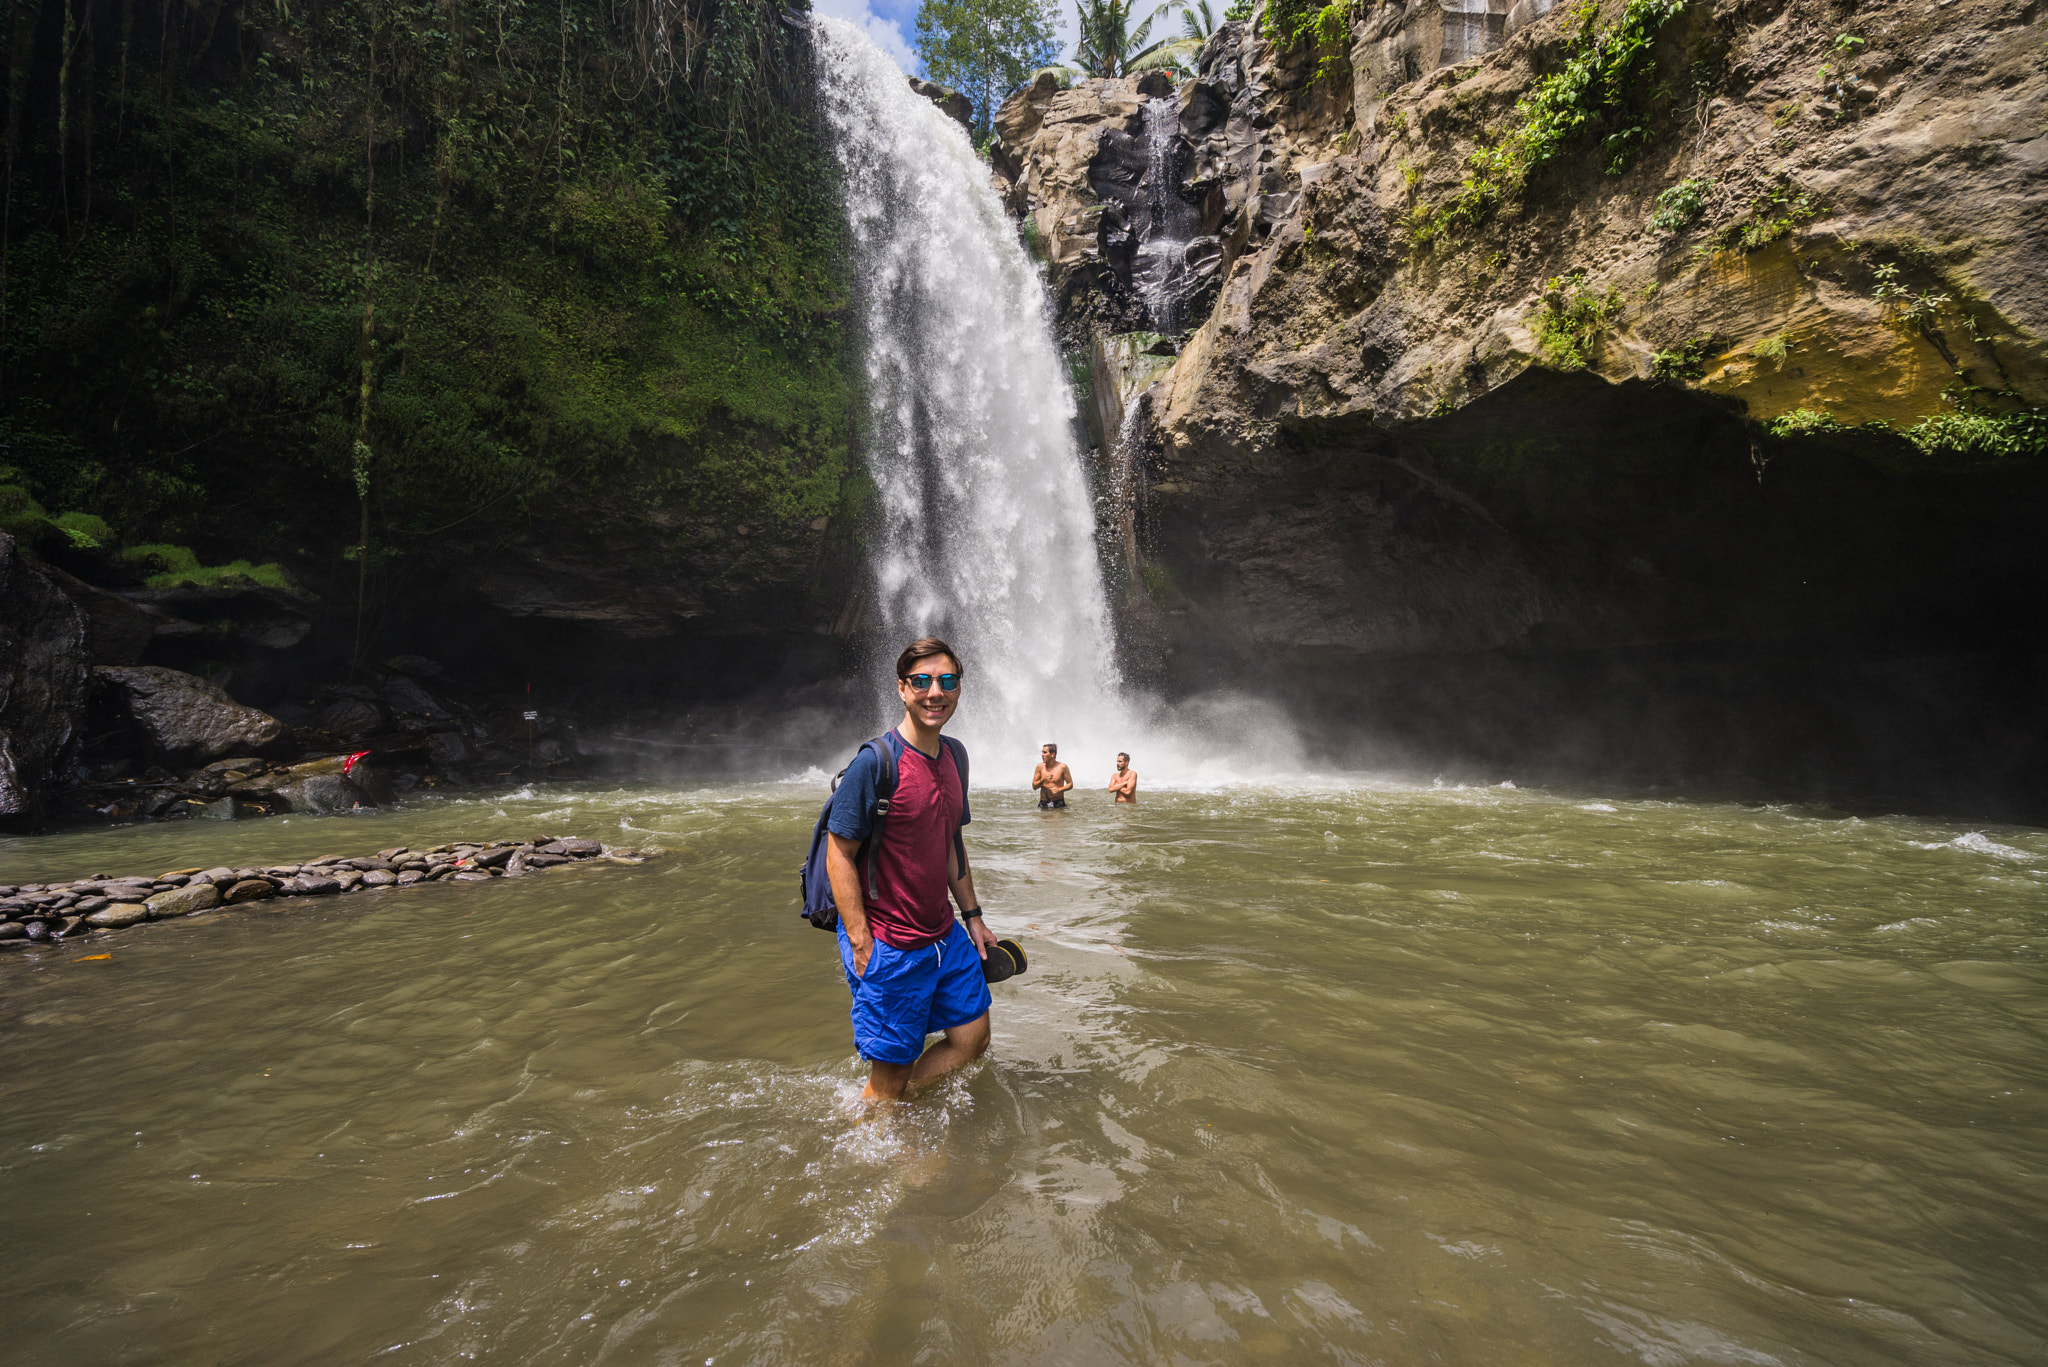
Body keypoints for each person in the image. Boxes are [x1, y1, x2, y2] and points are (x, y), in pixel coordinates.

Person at [824, 637, 999, 1104]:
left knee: (972, 1039)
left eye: (947, 681)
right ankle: (877, 1129)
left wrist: (974, 916)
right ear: (902, 689)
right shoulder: (875, 764)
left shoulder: (956, 757)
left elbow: (950, 841)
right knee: (891, 1073)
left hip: (943, 935)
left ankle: (895, 1099)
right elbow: (838, 853)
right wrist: (861, 942)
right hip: (890, 941)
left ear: (959, 689)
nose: (934, 692)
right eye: (921, 681)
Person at [1032, 743, 1073, 809]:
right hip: (1044, 803)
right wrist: (1042, 780)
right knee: (1043, 819)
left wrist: (1059, 789)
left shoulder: (1062, 767)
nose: (1042, 755)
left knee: (1059, 819)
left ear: (1052, 754)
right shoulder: (1039, 767)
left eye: (1045, 752)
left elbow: (1070, 784)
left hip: (1059, 802)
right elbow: (1034, 786)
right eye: (1042, 752)